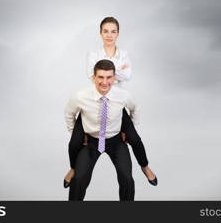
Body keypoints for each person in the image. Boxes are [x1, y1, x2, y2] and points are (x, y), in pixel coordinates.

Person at [64, 17, 157, 188]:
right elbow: (91, 75)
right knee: (74, 142)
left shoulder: (124, 54)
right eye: (105, 31)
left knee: (135, 139)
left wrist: (108, 72)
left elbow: (128, 75)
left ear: (118, 34)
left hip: (116, 102)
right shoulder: (93, 53)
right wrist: (116, 70)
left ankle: (145, 167)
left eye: (113, 31)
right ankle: (73, 168)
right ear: (100, 33)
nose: (109, 35)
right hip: (95, 102)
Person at [65, 59, 136, 200]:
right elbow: (69, 114)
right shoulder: (80, 96)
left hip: (116, 142)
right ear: (94, 77)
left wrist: (127, 131)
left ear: (114, 78)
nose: (105, 82)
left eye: (109, 77)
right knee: (79, 179)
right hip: (91, 142)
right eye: (101, 77)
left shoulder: (123, 95)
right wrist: (75, 132)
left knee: (127, 178)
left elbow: (135, 109)